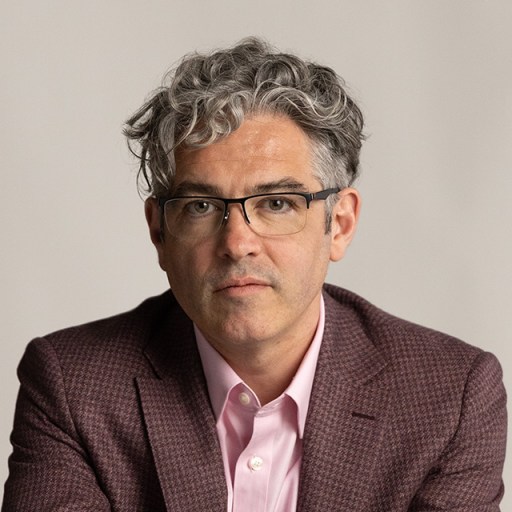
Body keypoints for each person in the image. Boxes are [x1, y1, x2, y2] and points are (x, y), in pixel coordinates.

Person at [2, 38, 506, 512]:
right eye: (201, 206)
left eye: (277, 204)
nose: (238, 243)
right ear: (159, 231)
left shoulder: (450, 397)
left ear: (340, 225)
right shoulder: (72, 385)